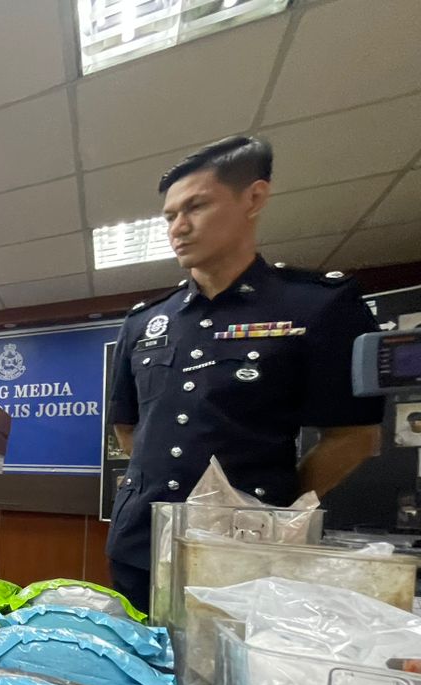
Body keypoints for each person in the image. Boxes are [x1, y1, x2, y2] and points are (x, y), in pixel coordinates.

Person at [106, 135, 385, 610]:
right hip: (140, 542)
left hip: (247, 548)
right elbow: (128, 427)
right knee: (131, 653)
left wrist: (269, 509)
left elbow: (353, 436)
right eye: (170, 216)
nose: (179, 227)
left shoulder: (316, 305)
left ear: (253, 198)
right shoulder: (146, 321)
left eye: (196, 206)